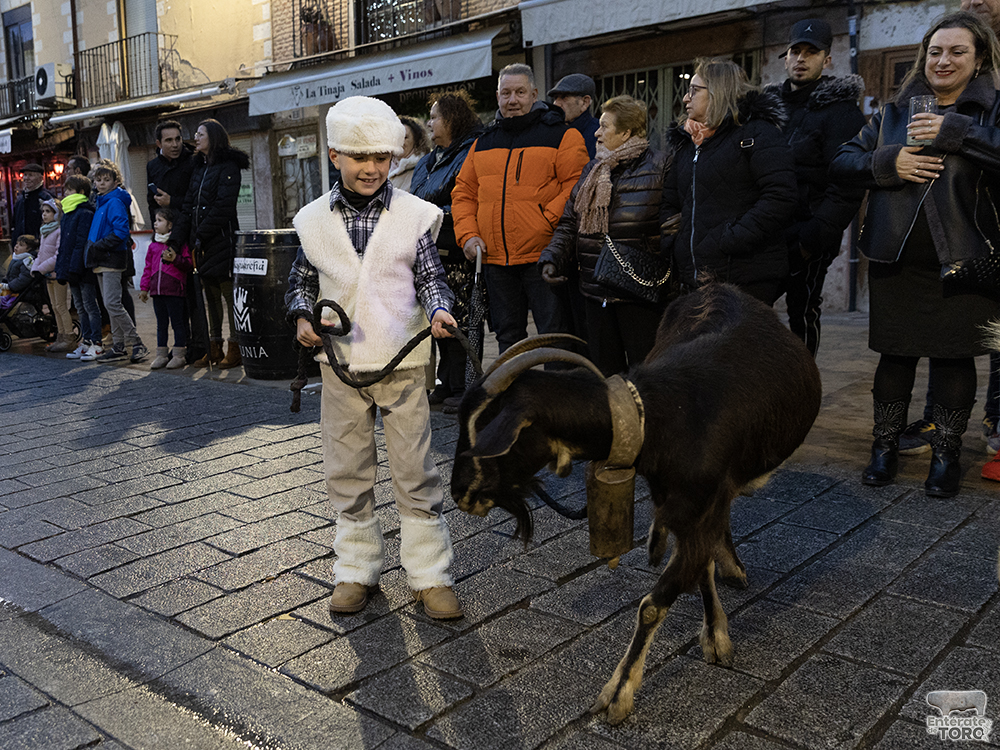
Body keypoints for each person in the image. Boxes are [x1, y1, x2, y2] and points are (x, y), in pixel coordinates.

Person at [284, 96, 463, 620]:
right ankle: (356, 570)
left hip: (404, 364)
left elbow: (432, 277)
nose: (370, 169)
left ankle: (430, 576)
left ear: (395, 157)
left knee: (415, 470)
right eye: (359, 158)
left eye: (381, 158)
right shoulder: (312, 220)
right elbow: (301, 279)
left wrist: (439, 310)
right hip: (340, 367)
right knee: (348, 470)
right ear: (335, 155)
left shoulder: (415, 215)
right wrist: (301, 318)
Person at [830, 11, 1000, 498]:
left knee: (953, 359)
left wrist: (954, 130)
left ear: (980, 57)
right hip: (895, 255)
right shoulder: (891, 114)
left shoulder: (991, 112)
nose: (943, 60)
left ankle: (946, 456)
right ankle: (883, 447)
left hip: (965, 257)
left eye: (957, 51)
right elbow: (841, 162)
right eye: (935, 51)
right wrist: (890, 161)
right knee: (895, 356)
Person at [452, 63, 589, 354]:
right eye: (506, 93)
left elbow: (576, 186)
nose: (512, 100)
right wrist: (468, 235)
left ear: (534, 94)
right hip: (494, 259)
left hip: (544, 256)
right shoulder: (483, 142)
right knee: (507, 337)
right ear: (497, 97)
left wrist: (544, 221)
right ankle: (513, 398)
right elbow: (463, 193)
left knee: (553, 335)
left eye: (520, 92)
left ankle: (556, 398)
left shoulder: (562, 135)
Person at [539, 95, 670, 375]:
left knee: (645, 372)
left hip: (638, 293)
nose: (597, 133)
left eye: (605, 126)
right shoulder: (593, 169)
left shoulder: (661, 166)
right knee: (604, 373)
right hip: (595, 289)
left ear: (626, 132)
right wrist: (552, 257)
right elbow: (569, 223)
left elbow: (673, 222)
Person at [660, 59, 797, 305]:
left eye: (694, 90)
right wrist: (675, 239)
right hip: (695, 277)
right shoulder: (688, 142)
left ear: (717, 91)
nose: (685, 99)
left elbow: (780, 196)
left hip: (745, 275)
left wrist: (732, 238)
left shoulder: (757, 134)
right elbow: (670, 200)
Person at [768, 19, 867, 356]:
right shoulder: (768, 107)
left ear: (826, 60)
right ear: (785, 56)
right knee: (750, 309)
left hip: (807, 233)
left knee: (803, 311)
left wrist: (816, 235)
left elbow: (849, 182)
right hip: (764, 229)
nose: (801, 59)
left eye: (811, 53)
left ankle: (801, 391)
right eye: (796, 51)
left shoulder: (841, 112)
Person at [410, 90, 485, 410]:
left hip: (456, 250)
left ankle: (467, 387)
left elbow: (465, 200)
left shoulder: (470, 152)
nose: (430, 122)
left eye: (436, 116)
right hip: (429, 249)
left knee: (464, 323)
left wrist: (431, 215)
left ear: (453, 120)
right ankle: (446, 382)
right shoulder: (427, 160)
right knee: (440, 321)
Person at [176, 118, 249, 369]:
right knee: (211, 299)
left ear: (214, 137)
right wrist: (182, 237)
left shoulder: (229, 165)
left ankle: (235, 347)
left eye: (201, 134)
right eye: (195, 134)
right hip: (202, 243)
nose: (195, 138)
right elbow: (189, 205)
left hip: (222, 240)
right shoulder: (199, 167)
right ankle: (214, 348)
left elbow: (224, 206)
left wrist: (201, 233)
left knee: (230, 298)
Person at [86, 162, 147, 364]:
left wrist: (99, 246)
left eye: (106, 180)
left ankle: (136, 342)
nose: (102, 184)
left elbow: (121, 231)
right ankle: (119, 346)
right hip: (103, 257)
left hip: (111, 256)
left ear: (115, 182)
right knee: (110, 303)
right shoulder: (102, 201)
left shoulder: (114, 202)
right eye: (98, 180)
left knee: (112, 303)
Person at [139, 207, 192, 370]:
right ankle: (161, 354)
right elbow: (147, 268)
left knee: (178, 323)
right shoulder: (153, 246)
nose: (155, 223)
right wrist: (144, 288)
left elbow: (188, 264)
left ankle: (178, 354)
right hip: (157, 292)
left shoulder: (178, 245)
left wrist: (175, 259)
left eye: (160, 220)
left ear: (170, 225)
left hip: (175, 291)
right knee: (161, 324)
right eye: (155, 220)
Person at [55, 176, 100, 360]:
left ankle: (96, 343)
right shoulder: (67, 213)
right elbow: (63, 245)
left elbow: (81, 243)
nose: (66, 194)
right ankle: (87, 341)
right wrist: (62, 269)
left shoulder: (85, 213)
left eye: (69, 191)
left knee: (90, 305)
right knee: (80, 307)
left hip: (82, 267)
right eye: (65, 190)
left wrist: (74, 268)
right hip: (71, 268)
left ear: (81, 192)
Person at [31, 199, 75, 353]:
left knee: (62, 306)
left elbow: (57, 255)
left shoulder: (59, 230)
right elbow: (41, 254)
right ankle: (60, 336)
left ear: (56, 213)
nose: (44, 214)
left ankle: (68, 336)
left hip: (57, 274)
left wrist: (41, 269)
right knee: (54, 307)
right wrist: (35, 269)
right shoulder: (45, 231)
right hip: (47, 274)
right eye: (43, 211)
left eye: (48, 211)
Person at [548, 73, 601, 159]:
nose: (556, 104)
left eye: (564, 97)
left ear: (585, 102)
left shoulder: (599, 135)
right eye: (555, 98)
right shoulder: (551, 131)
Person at [388, 116, 430, 192]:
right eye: (398, 137)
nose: (400, 141)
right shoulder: (385, 165)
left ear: (416, 141)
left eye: (405, 137)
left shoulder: (421, 169)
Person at [12, 164, 53, 239]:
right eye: (25, 175)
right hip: (21, 246)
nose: (26, 178)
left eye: (30, 175)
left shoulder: (46, 198)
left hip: (39, 245)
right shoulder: (21, 199)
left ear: (40, 178)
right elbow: (14, 223)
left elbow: (53, 223)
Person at [0, 235, 39, 311]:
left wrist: (9, 286)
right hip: (12, 288)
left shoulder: (27, 261)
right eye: (16, 244)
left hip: (19, 291)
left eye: (21, 245)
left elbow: (24, 278)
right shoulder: (17, 257)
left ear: (29, 249)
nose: (16, 246)